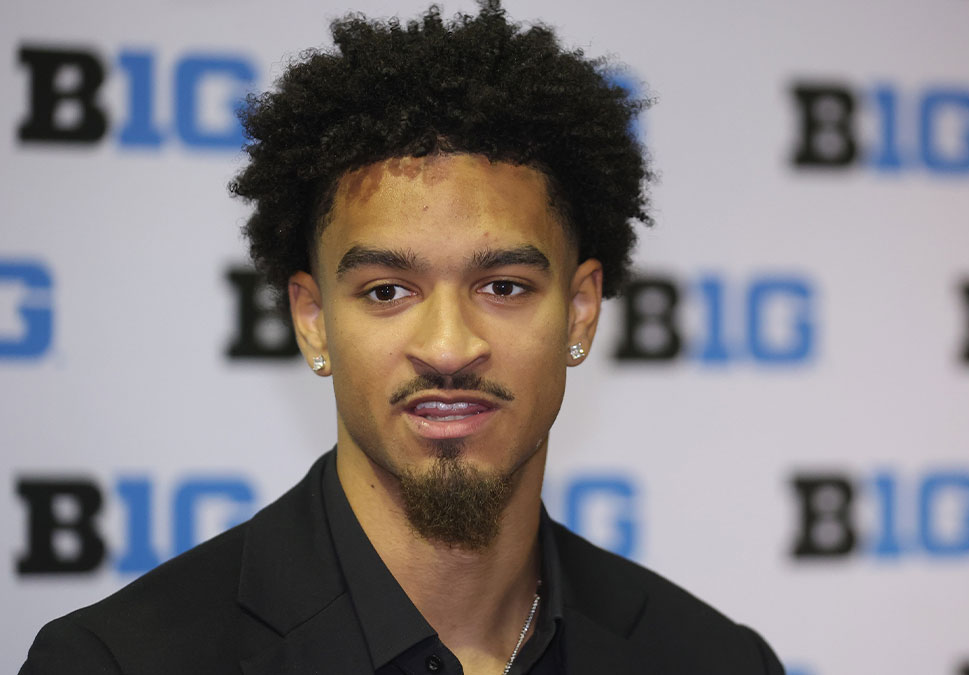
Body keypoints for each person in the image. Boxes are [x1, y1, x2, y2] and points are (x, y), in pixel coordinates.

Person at [21, 3, 784, 673]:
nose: (449, 348)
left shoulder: (714, 658)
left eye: (503, 287)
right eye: (388, 291)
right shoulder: (122, 661)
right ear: (312, 319)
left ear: (581, 311)